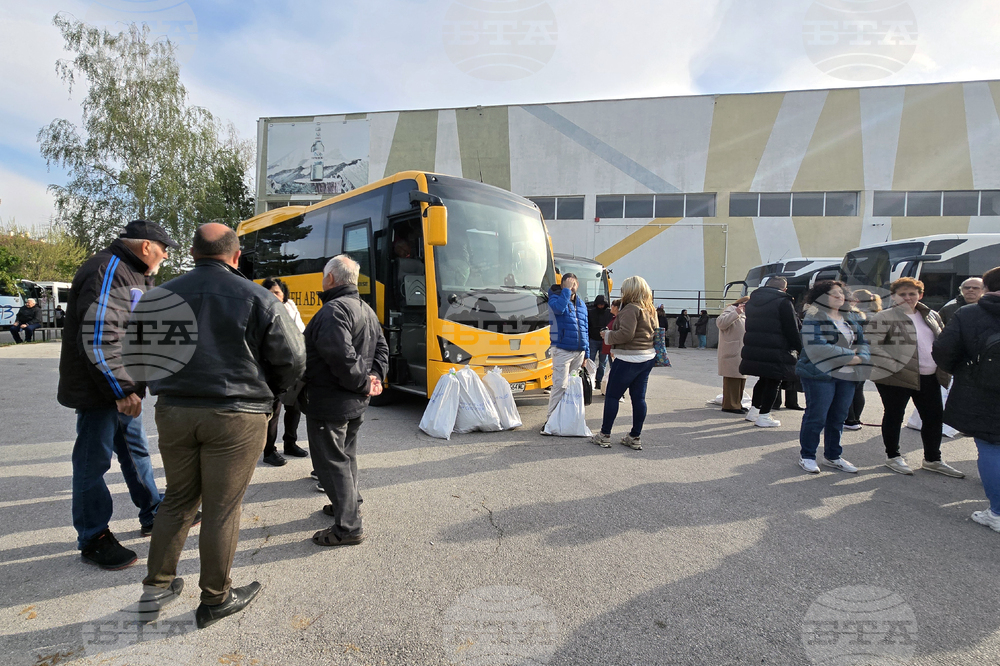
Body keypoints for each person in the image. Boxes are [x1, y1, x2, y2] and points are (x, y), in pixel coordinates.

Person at [140, 223, 305, 629]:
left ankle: (156, 588)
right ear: (236, 256)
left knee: (178, 498)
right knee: (222, 507)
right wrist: (272, 392)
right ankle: (215, 598)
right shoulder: (260, 297)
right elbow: (294, 359)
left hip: (175, 409)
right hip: (238, 414)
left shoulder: (158, 296)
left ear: (193, 253)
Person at [58, 220, 176, 570]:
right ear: (145, 247)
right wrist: (122, 389)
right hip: (102, 391)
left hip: (122, 388)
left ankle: (153, 511)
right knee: (93, 463)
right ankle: (93, 536)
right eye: (164, 249)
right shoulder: (109, 269)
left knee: (135, 449)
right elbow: (99, 337)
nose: (166, 256)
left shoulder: (135, 274)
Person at [302, 255, 388, 547]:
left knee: (331, 462)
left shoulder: (333, 311)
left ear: (330, 279)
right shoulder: (365, 309)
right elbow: (382, 349)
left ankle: (348, 527)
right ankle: (349, 504)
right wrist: (374, 378)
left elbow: (341, 356)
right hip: (353, 402)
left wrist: (365, 382)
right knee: (346, 455)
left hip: (331, 402)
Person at [868, 277, 964, 477]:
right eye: (902, 294)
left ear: (920, 295)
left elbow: (941, 341)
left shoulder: (931, 315)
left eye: (912, 294)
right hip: (896, 377)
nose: (907, 298)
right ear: (894, 296)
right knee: (894, 415)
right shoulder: (884, 317)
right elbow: (873, 347)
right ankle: (893, 456)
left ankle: (933, 459)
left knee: (934, 417)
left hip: (929, 376)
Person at [933, 266, 1000, 531]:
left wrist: (966, 369)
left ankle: (996, 513)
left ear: (986, 286)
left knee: (991, 446)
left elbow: (943, 352)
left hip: (981, 392)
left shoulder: (969, 313)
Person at [795, 281, 870, 474]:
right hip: (820, 374)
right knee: (817, 416)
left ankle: (833, 455)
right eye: (834, 294)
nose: (839, 298)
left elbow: (863, 342)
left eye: (841, 294)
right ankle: (808, 456)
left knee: (838, 417)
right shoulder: (814, 316)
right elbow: (817, 346)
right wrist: (850, 357)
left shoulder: (850, 317)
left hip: (846, 375)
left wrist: (862, 357)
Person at [591, 276, 658, 450]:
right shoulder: (650, 309)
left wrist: (608, 335)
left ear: (630, 291)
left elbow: (626, 334)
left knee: (612, 396)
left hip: (628, 357)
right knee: (639, 398)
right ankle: (635, 436)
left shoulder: (630, 309)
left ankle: (604, 435)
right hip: (647, 357)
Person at [739, 277, 802, 428]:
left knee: (763, 379)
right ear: (784, 289)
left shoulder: (753, 301)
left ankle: (754, 410)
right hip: (777, 347)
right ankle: (764, 415)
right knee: (774, 380)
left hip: (755, 346)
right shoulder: (783, 301)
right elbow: (791, 328)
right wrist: (799, 348)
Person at [259, 277, 308, 466]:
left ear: (284, 294)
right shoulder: (261, 310)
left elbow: (300, 332)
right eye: (270, 292)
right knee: (274, 411)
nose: (273, 296)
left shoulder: (291, 308)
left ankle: (290, 443)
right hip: (273, 369)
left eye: (277, 292)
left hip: (293, 367)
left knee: (294, 408)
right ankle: (269, 450)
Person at [543, 273, 589, 431]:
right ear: (563, 285)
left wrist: (586, 353)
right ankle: (551, 420)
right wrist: (566, 291)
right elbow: (558, 309)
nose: (573, 286)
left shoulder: (581, 304)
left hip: (578, 351)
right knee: (560, 386)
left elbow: (585, 328)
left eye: (575, 283)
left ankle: (568, 418)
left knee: (573, 386)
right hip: (562, 349)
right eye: (570, 283)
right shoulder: (555, 298)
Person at [843, 289, 882, 430]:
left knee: (848, 389)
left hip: (854, 355)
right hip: (868, 356)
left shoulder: (854, 315)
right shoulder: (877, 314)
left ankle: (849, 419)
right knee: (859, 389)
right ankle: (856, 419)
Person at [717, 296, 750, 414]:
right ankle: (730, 405)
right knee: (732, 378)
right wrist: (736, 312)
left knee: (740, 378)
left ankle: (737, 403)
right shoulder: (731, 310)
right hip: (732, 350)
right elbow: (721, 323)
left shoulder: (745, 314)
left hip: (741, 350)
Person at [587, 294, 613, 390]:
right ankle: (591, 379)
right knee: (591, 361)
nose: (601, 306)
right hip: (594, 339)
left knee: (602, 363)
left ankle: (599, 380)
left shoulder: (608, 313)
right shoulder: (592, 313)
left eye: (602, 304)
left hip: (602, 340)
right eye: (599, 304)